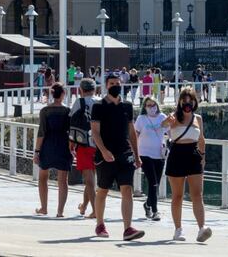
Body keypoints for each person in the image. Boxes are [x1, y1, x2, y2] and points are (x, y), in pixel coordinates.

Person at [91, 73, 144, 240]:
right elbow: (95, 132)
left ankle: (128, 228)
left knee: (127, 189)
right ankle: (100, 224)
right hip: (105, 155)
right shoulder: (98, 106)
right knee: (103, 190)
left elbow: (132, 132)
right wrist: (104, 150)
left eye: (117, 83)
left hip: (125, 153)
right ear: (106, 85)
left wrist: (137, 155)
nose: (115, 85)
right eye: (112, 83)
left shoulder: (127, 106)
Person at [161, 88, 212, 242]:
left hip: (193, 155)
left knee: (197, 194)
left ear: (195, 101)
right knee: (177, 195)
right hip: (177, 154)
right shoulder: (174, 116)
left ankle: (201, 228)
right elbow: (162, 125)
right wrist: (167, 122)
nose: (188, 102)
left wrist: (203, 156)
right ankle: (178, 229)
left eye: (190, 99)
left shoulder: (198, 118)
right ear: (180, 101)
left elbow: (201, 139)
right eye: (185, 99)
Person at [33, 83, 72, 217]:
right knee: (63, 180)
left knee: (43, 177)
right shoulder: (68, 111)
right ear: (63, 95)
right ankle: (60, 211)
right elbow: (71, 132)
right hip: (63, 145)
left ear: (51, 94)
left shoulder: (45, 111)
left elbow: (41, 132)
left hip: (47, 146)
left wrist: (37, 152)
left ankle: (44, 207)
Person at [69, 78, 99, 219]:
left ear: (81, 90)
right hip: (100, 145)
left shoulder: (79, 102)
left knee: (89, 180)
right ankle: (84, 206)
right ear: (95, 89)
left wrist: (71, 141)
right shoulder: (101, 101)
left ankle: (95, 210)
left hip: (84, 143)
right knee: (91, 177)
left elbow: (72, 122)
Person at [134, 96, 167, 221]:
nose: (152, 108)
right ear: (145, 107)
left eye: (153, 105)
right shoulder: (141, 119)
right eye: (149, 105)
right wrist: (135, 153)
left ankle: (147, 204)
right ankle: (155, 211)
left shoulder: (162, 117)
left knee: (156, 184)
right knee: (152, 182)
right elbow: (135, 135)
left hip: (159, 154)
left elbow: (170, 133)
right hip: (144, 153)